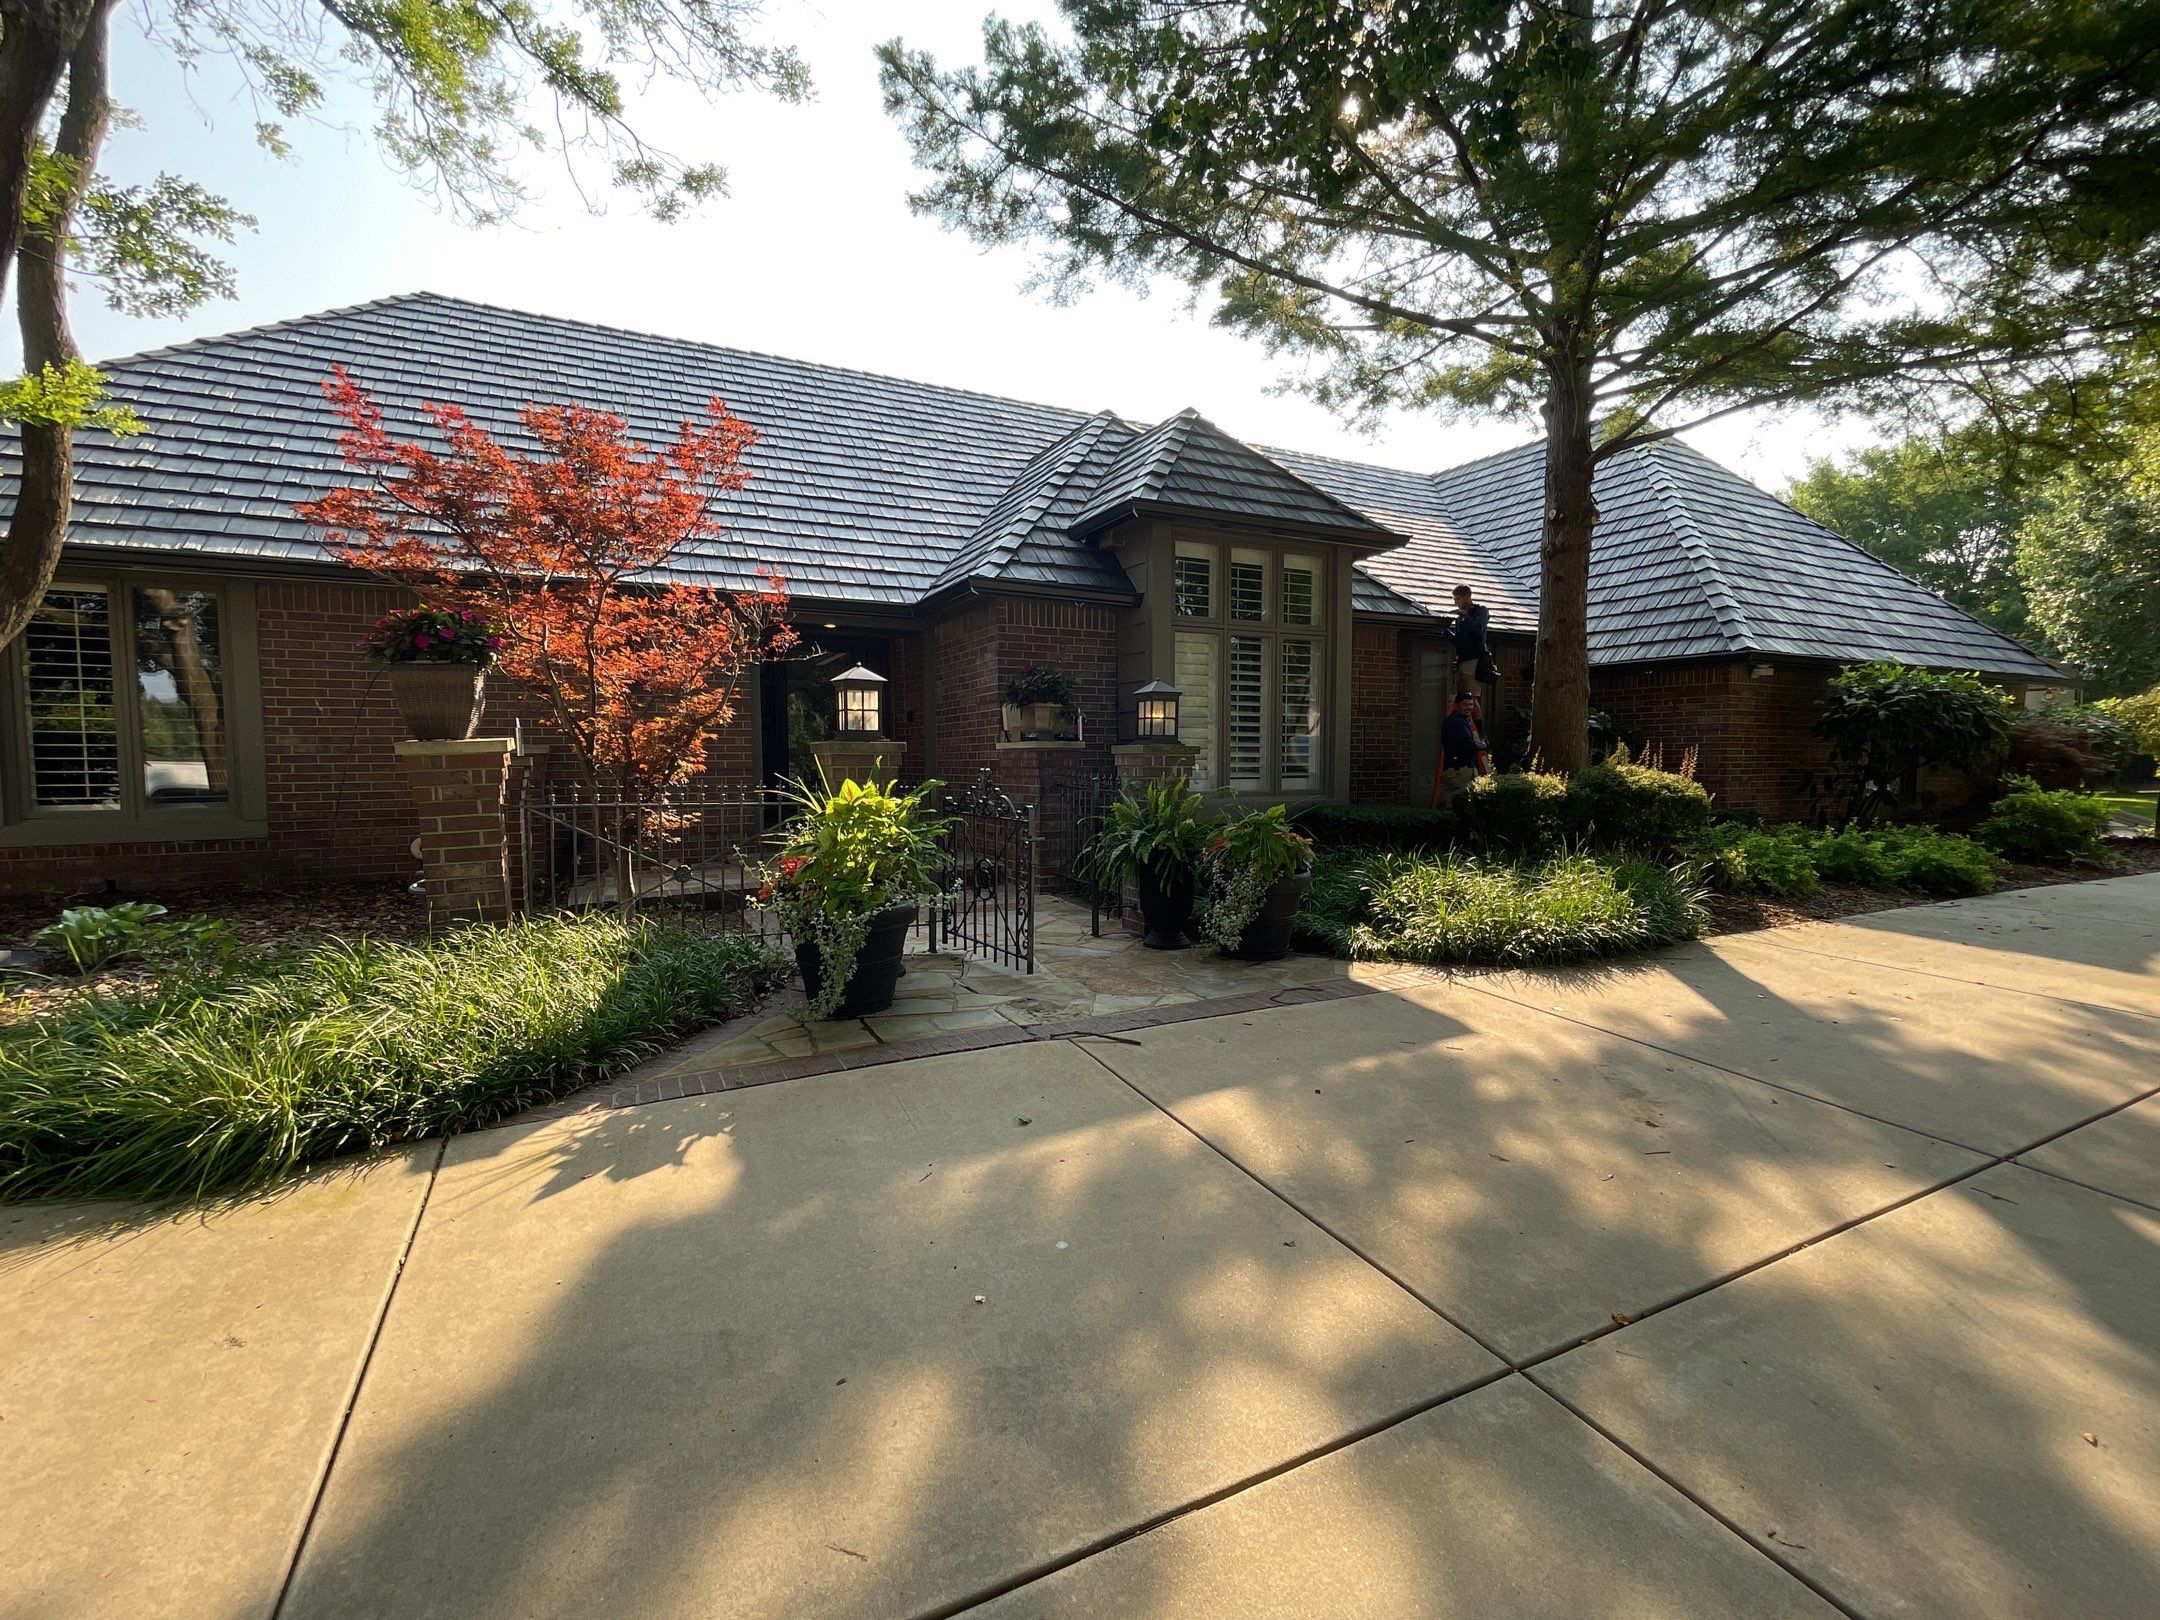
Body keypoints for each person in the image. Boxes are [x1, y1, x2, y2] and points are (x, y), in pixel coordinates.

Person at [1432, 691, 1484, 809]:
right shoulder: (1457, 722)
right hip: (1460, 770)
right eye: (1465, 704)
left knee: (1454, 807)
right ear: (1456, 706)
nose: (1469, 707)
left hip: (1455, 770)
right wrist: (1482, 745)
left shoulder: (1457, 720)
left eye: (1471, 704)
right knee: (1463, 808)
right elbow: (1468, 745)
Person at [1450, 584, 1492, 692]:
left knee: (1472, 695)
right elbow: (1458, 641)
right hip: (1461, 660)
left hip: (1474, 659)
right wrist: (1445, 630)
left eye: (1458, 599)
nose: (1455, 603)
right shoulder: (1460, 618)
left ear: (1467, 597)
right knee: (1460, 697)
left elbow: (1478, 630)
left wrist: (1466, 616)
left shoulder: (1480, 611)